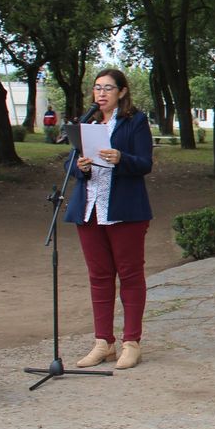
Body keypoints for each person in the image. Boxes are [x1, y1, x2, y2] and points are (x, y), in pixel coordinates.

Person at [65, 68, 153, 370]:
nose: (101, 94)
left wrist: (121, 158)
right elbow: (70, 167)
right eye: (97, 88)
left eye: (108, 88)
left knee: (129, 275)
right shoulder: (85, 123)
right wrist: (82, 167)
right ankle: (103, 342)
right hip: (89, 210)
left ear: (122, 92)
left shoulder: (135, 122)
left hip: (124, 212)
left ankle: (132, 342)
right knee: (99, 277)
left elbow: (145, 163)